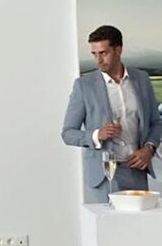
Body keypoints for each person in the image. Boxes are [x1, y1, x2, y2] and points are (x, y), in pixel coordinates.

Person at [62, 25, 162, 202]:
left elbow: (156, 122)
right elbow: (68, 133)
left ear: (118, 50)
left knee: (140, 220)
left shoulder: (141, 79)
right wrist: (96, 135)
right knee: (110, 220)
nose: (98, 60)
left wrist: (149, 148)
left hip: (137, 169)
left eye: (103, 53)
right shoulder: (84, 86)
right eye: (94, 54)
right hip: (106, 173)